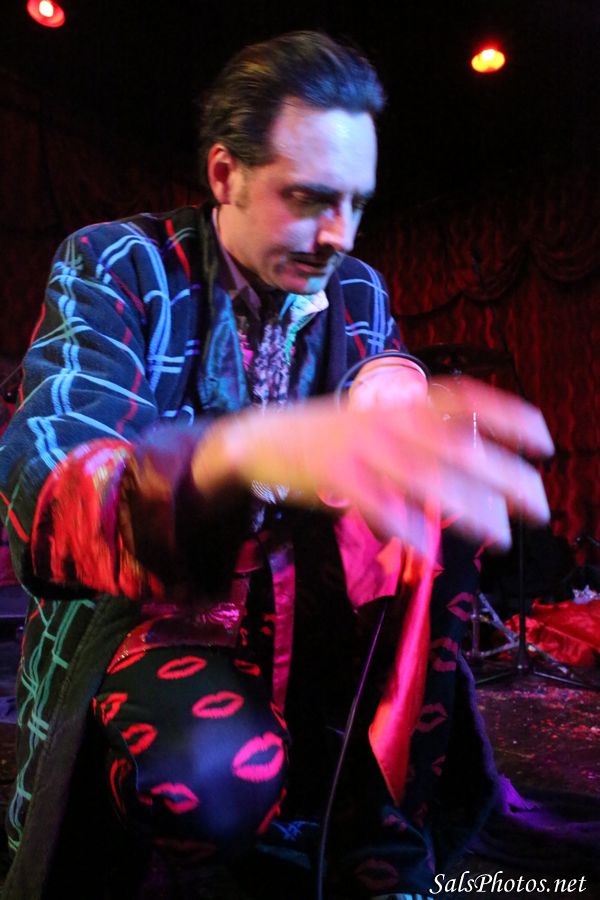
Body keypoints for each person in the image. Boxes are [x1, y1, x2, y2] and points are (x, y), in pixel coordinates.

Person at [0, 31, 553, 900]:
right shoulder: (121, 264)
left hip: (315, 629)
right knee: (214, 780)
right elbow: (46, 486)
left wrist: (393, 386)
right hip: (158, 620)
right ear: (225, 174)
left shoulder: (356, 286)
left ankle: (361, 833)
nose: (339, 235)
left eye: (357, 204)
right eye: (309, 198)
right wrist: (238, 453)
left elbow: (377, 374)